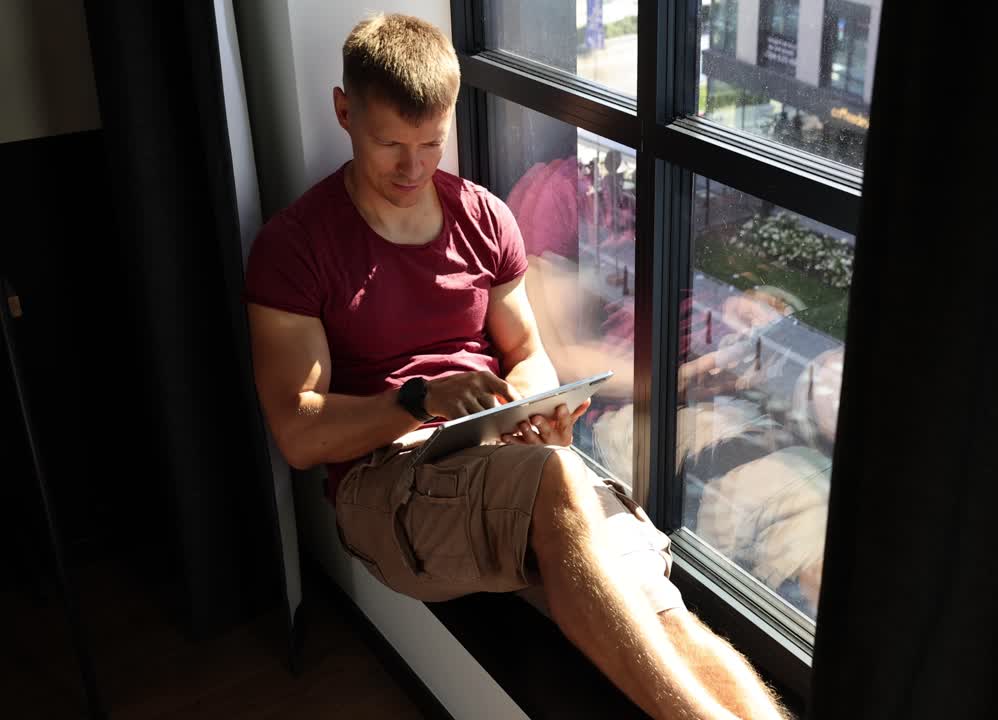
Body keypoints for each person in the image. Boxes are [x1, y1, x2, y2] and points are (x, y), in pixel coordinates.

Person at [242, 14, 788, 720]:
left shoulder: (484, 218)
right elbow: (298, 431)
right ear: (344, 112)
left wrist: (530, 412)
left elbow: (527, 355)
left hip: (501, 462)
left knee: (663, 610)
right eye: (390, 145)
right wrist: (420, 401)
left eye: (431, 143)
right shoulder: (295, 246)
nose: (413, 168)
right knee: (561, 480)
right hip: (386, 482)